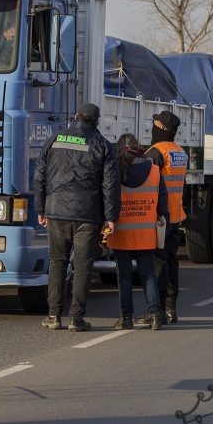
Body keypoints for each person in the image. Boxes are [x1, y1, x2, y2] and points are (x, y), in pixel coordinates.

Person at [33, 103, 120, 331]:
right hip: (88, 215)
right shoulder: (103, 145)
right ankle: (76, 319)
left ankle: (54, 316)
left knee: (58, 263)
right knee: (83, 266)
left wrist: (41, 209)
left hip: (57, 211)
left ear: (75, 117)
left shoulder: (54, 139)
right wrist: (111, 217)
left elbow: (39, 176)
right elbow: (110, 186)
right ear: (96, 121)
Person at [106, 134, 169, 331]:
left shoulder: (114, 172)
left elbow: (108, 200)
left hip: (121, 235)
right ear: (139, 148)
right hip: (146, 234)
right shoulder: (155, 171)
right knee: (148, 275)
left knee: (123, 276)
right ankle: (156, 316)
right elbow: (163, 204)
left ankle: (126, 318)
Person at [145, 110, 188, 324]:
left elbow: (147, 186)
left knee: (158, 263)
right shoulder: (180, 152)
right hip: (176, 215)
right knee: (172, 262)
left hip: (159, 218)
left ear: (161, 128)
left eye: (154, 123)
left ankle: (158, 310)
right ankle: (171, 308)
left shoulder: (155, 153)